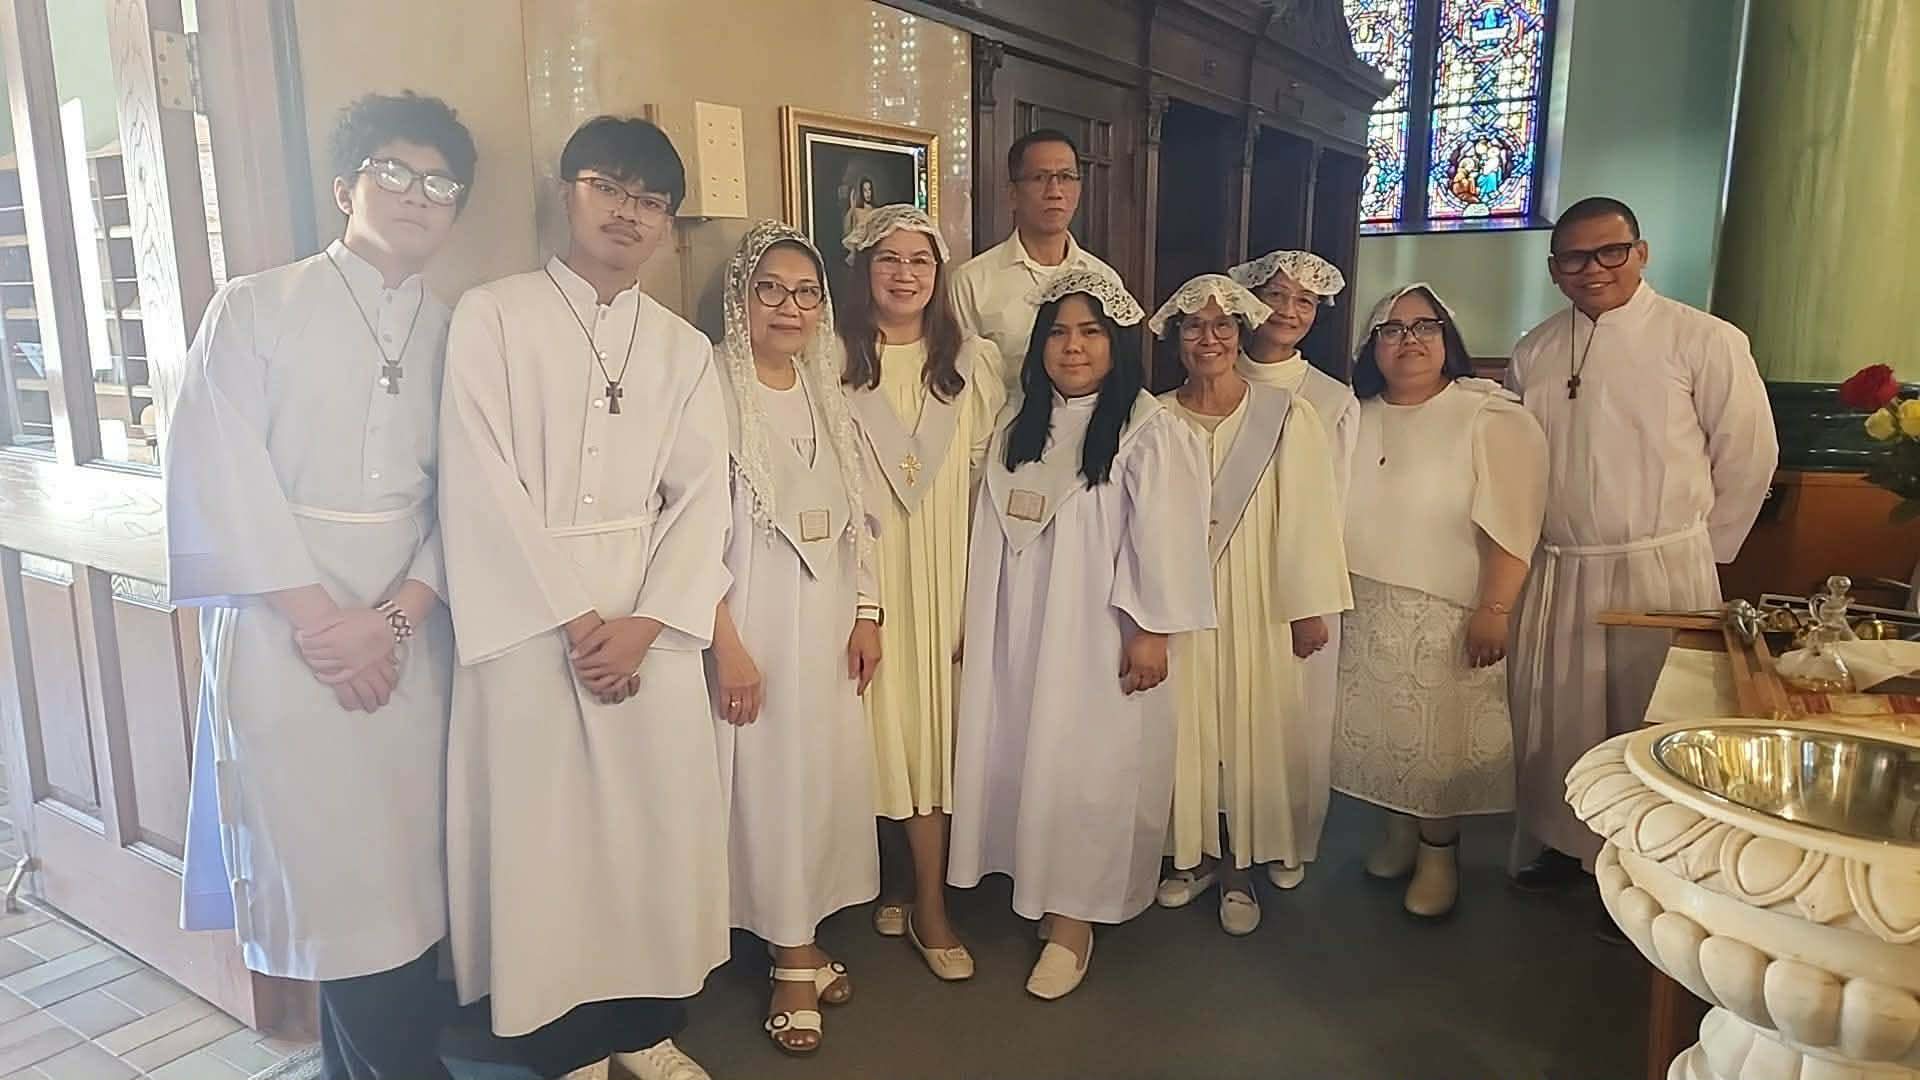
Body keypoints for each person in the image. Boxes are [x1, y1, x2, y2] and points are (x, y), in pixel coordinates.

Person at [168, 91, 472, 1080]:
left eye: (441, 184)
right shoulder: (256, 306)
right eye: (395, 172)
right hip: (282, 630)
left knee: (404, 884)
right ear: (345, 187)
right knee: (331, 880)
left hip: (411, 632)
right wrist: (322, 625)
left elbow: (475, 493)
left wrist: (395, 618)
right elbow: (218, 472)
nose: (418, 195)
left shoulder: (459, 334)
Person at [438, 116, 723, 1080]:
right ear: (569, 192)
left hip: (652, 619)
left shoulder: (683, 348)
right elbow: (480, 478)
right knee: (546, 838)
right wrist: (576, 619)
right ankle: (562, 1044)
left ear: (668, 223)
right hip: (528, 621)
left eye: (652, 201)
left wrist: (645, 624)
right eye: (610, 188)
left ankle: (643, 1030)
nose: (629, 214)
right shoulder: (493, 315)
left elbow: (704, 497)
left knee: (652, 830)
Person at [947, 269, 1214, 1000]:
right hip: (1018, 629)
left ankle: (1073, 922)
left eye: (1091, 332)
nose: (1073, 347)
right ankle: (1037, 884)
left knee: (1085, 764)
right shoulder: (1017, 422)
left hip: (1097, 632)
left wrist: (1151, 631)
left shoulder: (1148, 431)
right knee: (1028, 753)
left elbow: (1166, 539)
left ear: (1115, 343)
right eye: (1059, 332)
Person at [1505, 197, 1777, 901]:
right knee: (1558, 714)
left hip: (1662, 566)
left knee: (1648, 720)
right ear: (1554, 269)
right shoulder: (1535, 350)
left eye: (1611, 251)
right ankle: (1566, 843)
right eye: (1574, 257)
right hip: (1562, 565)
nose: (1593, 268)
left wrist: (1702, 553)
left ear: (1641, 253)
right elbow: (1518, 460)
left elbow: (1748, 454)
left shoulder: (1704, 339)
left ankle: (1648, 869)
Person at [709, 220, 882, 1056]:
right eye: (770, 289)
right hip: (753, 622)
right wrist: (726, 644)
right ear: (740, 299)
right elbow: (687, 531)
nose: (790, 307)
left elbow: (862, 516)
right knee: (769, 784)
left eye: (806, 292)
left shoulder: (825, 386)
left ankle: (803, 929)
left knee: (819, 781)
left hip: (827, 622)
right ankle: (788, 954)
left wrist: (868, 612)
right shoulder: (709, 387)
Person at [1331, 284, 1547, 918]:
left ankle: (1438, 853)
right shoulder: (1352, 415)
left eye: (1424, 327)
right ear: (1372, 346)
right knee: (1387, 736)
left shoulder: (1488, 417)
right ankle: (1398, 833)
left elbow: (1513, 525)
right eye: (1392, 329)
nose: (1409, 341)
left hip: (1446, 610)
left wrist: (1495, 609)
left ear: (1447, 338)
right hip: (1365, 601)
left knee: (1438, 742)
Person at [1145, 275, 1350, 936]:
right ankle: (1193, 855)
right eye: (1194, 326)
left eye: (1222, 326)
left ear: (1241, 334)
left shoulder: (1286, 416)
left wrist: (1308, 606)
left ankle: (1239, 866)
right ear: (1176, 337)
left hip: (1257, 597)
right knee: (1187, 728)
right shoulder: (1152, 418)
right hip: (1178, 601)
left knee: (1248, 726)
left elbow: (1309, 517)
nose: (1208, 339)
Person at [837, 205, 1005, 979]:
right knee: (880, 727)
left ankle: (932, 903)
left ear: (939, 275)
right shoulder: (830, 357)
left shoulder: (971, 362)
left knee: (933, 731)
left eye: (920, 262)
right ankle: (896, 879)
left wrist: (981, 594)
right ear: (864, 270)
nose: (904, 275)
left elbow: (987, 482)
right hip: (867, 568)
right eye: (888, 260)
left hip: (947, 565)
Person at [1225, 248, 1360, 888]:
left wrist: (1309, 597)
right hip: (1221, 577)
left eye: (1304, 300)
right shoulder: (1213, 374)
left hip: (1298, 581)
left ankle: (1284, 837)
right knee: (1220, 710)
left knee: (1292, 715)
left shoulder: (1330, 399)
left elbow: (1336, 507)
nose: (1287, 310)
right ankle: (1210, 841)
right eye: (1276, 294)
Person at [951, 128, 1121, 392]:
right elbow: (959, 381)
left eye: (1066, 177)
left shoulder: (1104, 278)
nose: (1055, 191)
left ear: (1079, 188)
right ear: (1013, 194)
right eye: (1039, 178)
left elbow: (1120, 372)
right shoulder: (971, 282)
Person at [843, 175, 878, 240]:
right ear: (861, 192)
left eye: (869, 189)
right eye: (865, 190)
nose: (868, 193)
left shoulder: (876, 211)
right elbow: (850, 232)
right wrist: (852, 207)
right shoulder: (856, 211)